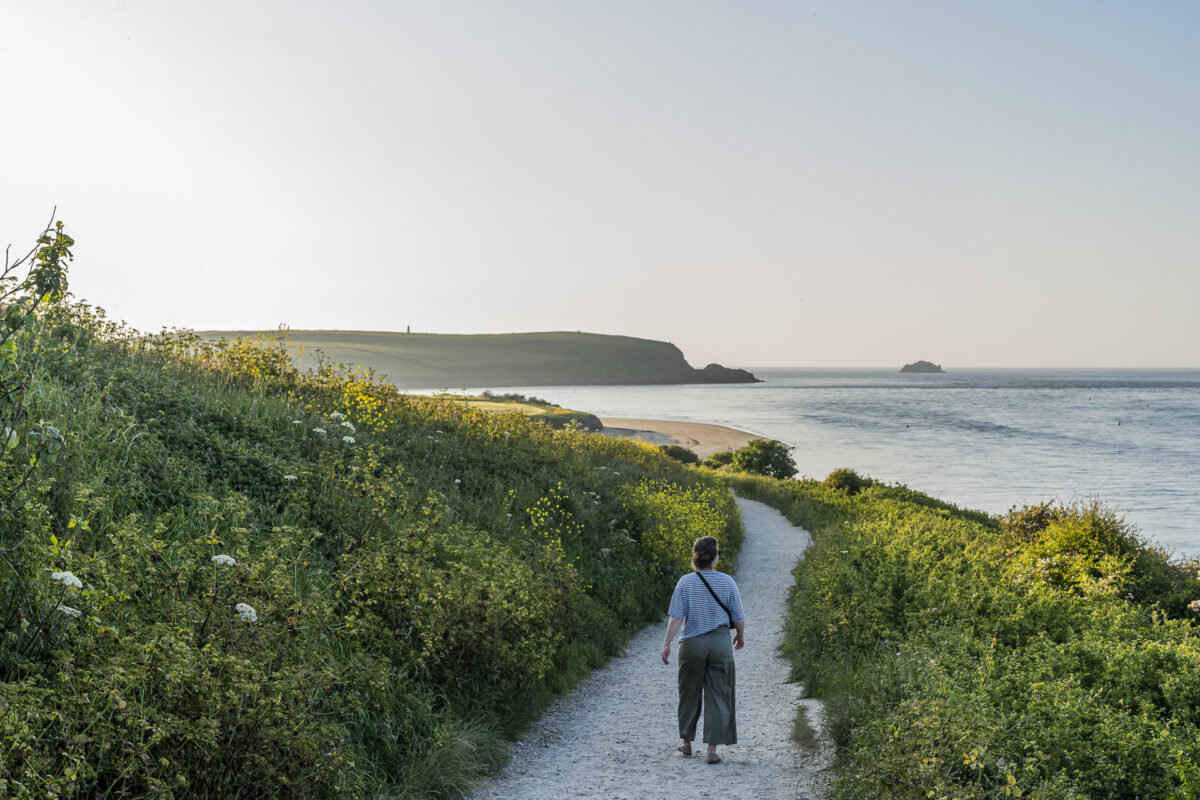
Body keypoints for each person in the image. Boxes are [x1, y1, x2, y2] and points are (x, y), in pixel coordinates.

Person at [660, 535, 745, 764]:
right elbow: (738, 616)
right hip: (720, 644)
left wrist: (667, 643)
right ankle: (712, 750)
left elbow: (676, 617)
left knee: (688, 692)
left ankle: (686, 743)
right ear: (715, 558)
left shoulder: (685, 582)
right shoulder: (727, 582)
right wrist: (740, 635)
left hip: (692, 644)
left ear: (695, 558)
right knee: (719, 693)